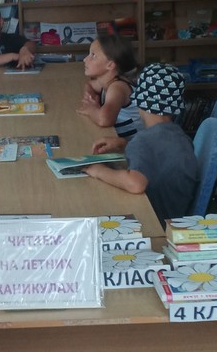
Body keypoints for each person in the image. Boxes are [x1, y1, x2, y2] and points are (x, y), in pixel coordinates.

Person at [85, 63, 198, 227]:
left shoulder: (143, 141)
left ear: (139, 103)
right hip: (178, 217)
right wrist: (124, 143)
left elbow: (136, 184)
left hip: (154, 221)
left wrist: (99, 171)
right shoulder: (181, 137)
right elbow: (161, 154)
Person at [77, 35, 143, 139]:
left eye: (93, 55)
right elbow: (89, 84)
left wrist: (91, 109)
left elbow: (104, 120)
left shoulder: (118, 87)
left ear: (110, 65)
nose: (85, 59)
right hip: (117, 138)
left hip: (133, 144)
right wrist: (90, 97)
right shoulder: (105, 81)